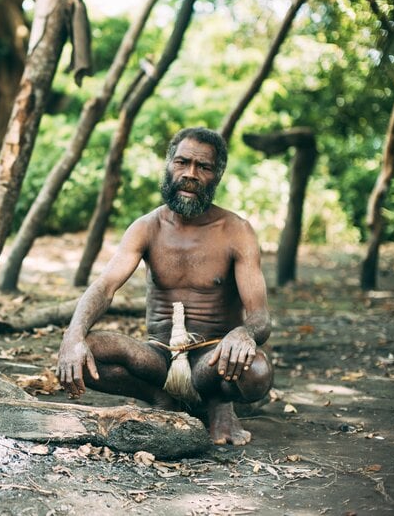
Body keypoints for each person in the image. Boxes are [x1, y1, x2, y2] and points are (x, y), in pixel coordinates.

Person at [57, 127, 273, 446]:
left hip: (212, 360)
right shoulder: (147, 227)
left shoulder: (236, 231)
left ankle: (218, 403)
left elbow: (260, 316)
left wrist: (243, 334)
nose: (190, 174)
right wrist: (73, 335)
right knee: (81, 355)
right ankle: (162, 399)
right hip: (157, 357)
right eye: (182, 162)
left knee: (257, 373)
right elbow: (104, 287)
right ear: (168, 165)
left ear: (218, 175)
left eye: (204, 167)